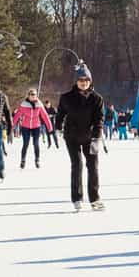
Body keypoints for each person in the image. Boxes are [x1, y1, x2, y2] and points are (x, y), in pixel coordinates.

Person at [56, 63, 107, 211]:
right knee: (77, 165)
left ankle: (95, 199)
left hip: (90, 137)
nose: (83, 83)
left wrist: (96, 138)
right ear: (76, 81)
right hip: (71, 136)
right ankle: (77, 198)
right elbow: (60, 115)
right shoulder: (66, 97)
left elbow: (99, 120)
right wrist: (58, 127)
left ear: (90, 81)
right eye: (80, 80)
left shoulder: (97, 99)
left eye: (86, 80)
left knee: (93, 166)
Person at [14, 88, 52, 168]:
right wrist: (12, 126)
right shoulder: (24, 105)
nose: (33, 96)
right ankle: (23, 160)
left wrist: (49, 127)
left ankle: (37, 160)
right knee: (26, 144)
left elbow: (45, 116)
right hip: (25, 126)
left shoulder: (39, 104)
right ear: (28, 95)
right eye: (31, 94)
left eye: (34, 94)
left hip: (36, 126)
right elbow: (17, 115)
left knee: (36, 143)